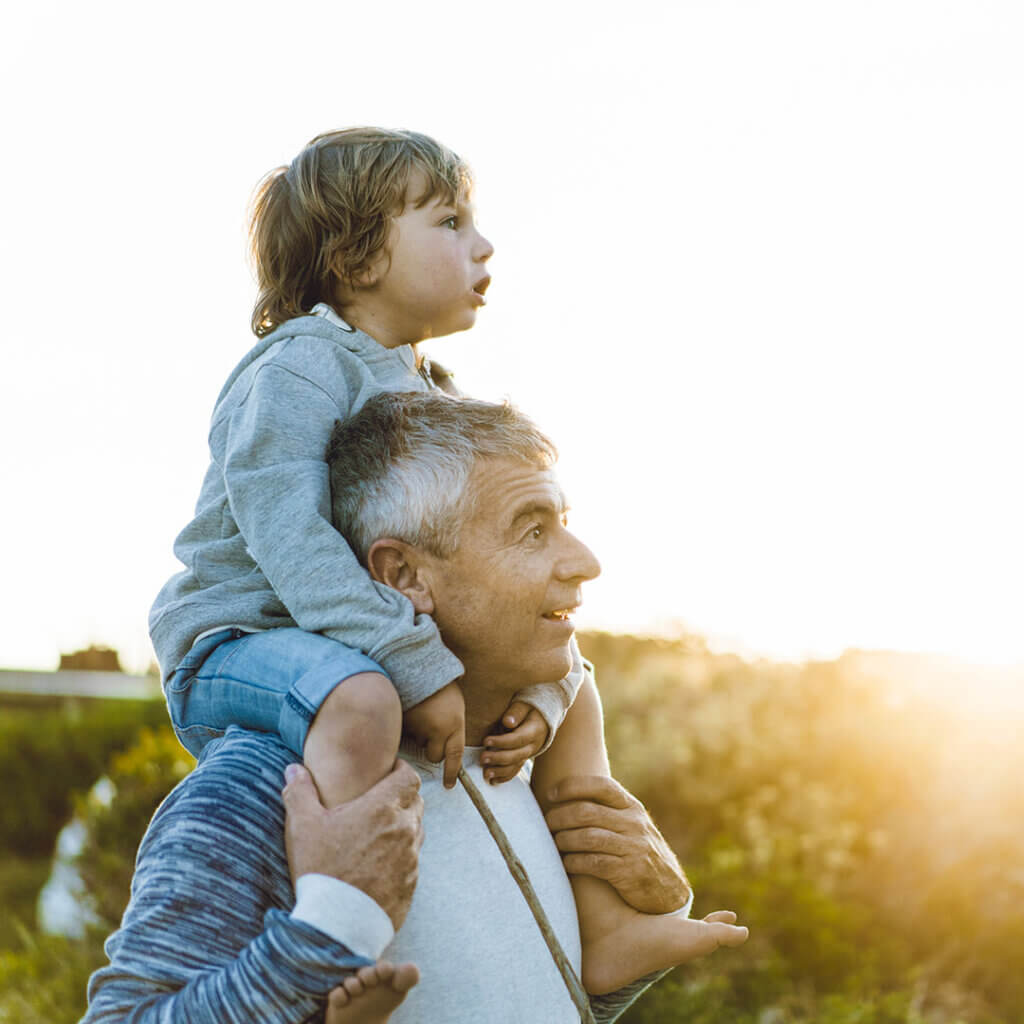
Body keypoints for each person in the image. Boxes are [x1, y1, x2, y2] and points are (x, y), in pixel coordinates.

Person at [146, 127, 712, 991]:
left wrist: (537, 705)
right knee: (362, 697)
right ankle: (343, 931)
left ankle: (609, 926)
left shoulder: (428, 391)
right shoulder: (297, 368)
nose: (482, 245)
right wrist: (410, 660)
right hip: (242, 640)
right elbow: (286, 533)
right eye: (448, 222)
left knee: (577, 687)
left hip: (353, 652)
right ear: (357, 255)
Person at [84, 393, 746, 1024]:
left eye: (565, 525)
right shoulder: (271, 786)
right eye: (533, 530)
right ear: (403, 576)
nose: (585, 562)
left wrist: (652, 915)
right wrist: (328, 928)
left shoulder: (523, 763)